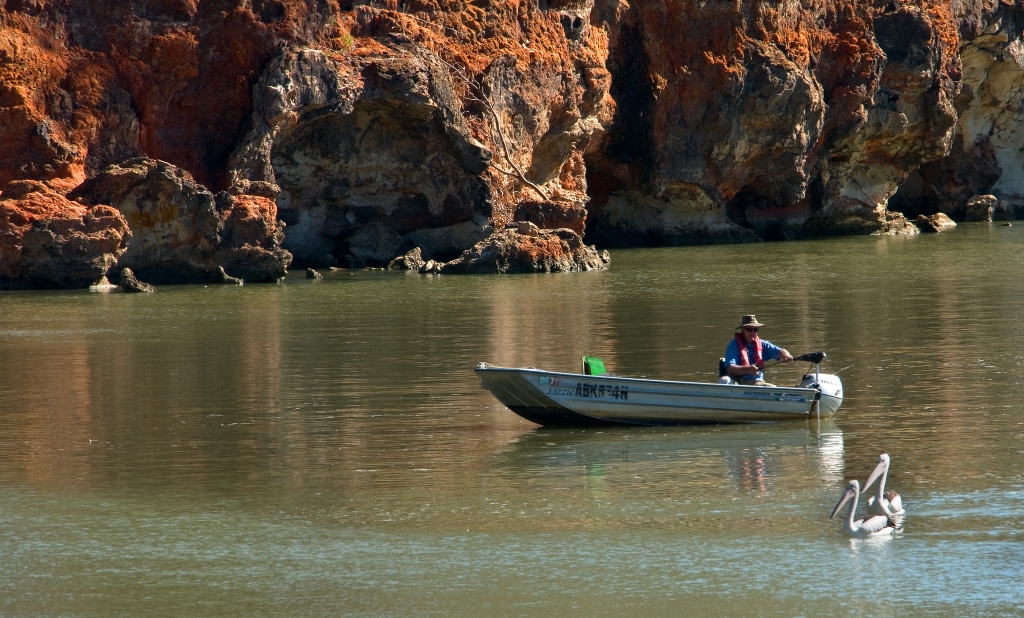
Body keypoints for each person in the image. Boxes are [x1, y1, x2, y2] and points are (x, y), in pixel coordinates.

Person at [724, 315, 793, 386]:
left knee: (771, 387)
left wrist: (786, 356)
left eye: (755, 329)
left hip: (758, 382)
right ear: (743, 329)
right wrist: (748, 369)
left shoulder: (762, 344)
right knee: (771, 387)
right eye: (749, 329)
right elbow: (730, 369)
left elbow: (780, 351)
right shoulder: (734, 345)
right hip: (740, 382)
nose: (752, 332)